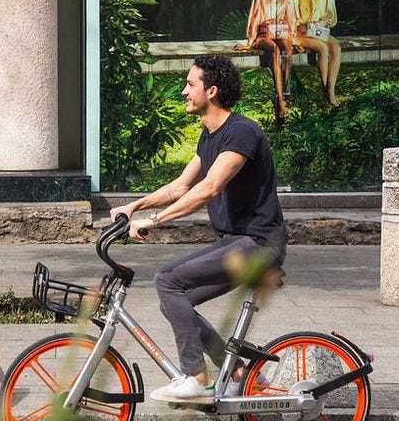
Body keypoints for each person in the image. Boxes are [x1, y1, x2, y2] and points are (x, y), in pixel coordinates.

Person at [110, 54, 287, 402]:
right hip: (238, 242)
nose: (183, 91)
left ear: (212, 91)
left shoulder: (241, 132)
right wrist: (135, 205)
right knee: (175, 302)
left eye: (190, 84)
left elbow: (209, 188)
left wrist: (155, 222)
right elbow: (180, 186)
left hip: (259, 244)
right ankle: (238, 371)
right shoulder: (209, 137)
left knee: (167, 280)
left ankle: (196, 377)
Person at [238, 0, 297, 119]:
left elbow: (291, 16)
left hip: (281, 31)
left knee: (287, 47)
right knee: (275, 50)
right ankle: (280, 98)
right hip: (263, 34)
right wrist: (250, 42)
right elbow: (254, 14)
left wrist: (294, 38)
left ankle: (284, 90)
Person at [292, 0, 343, 106]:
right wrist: (301, 26)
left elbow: (331, 13)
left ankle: (330, 89)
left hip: (317, 29)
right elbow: (292, 15)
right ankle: (326, 89)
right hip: (300, 31)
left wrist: (321, 23)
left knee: (336, 48)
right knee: (322, 48)